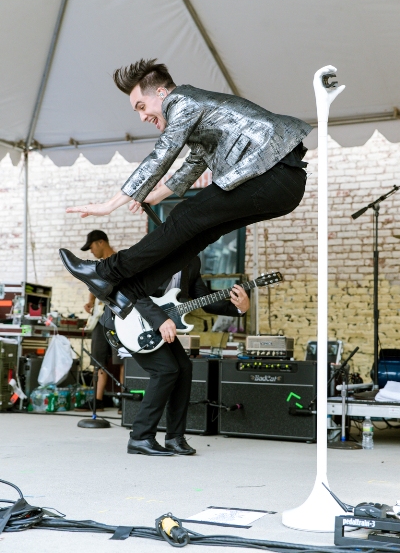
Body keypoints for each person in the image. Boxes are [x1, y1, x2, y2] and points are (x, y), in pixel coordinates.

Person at [59, 59, 311, 316]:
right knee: (196, 236)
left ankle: (105, 272)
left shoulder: (183, 101)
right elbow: (197, 160)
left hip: (272, 173)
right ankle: (130, 292)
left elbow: (163, 152)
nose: (142, 117)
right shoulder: (196, 111)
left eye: (142, 107)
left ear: (161, 93)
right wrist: (156, 194)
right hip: (282, 187)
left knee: (183, 217)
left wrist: (109, 205)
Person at [124, 256, 250, 456]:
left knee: (184, 368)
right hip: (128, 320)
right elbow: (130, 289)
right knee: (165, 370)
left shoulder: (192, 262)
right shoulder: (155, 253)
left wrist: (239, 308)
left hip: (159, 325)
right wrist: (159, 319)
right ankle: (140, 437)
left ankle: (174, 437)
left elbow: (205, 300)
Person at [77, 230, 124, 412]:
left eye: (91, 247)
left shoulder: (119, 261)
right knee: (98, 359)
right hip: (100, 318)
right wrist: (90, 301)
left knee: (121, 359)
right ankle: (98, 400)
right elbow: (94, 284)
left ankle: (125, 401)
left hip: (118, 317)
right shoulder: (99, 265)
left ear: (101, 242)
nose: (91, 252)